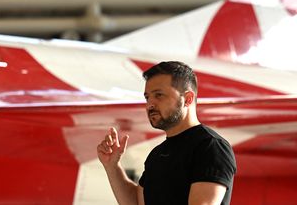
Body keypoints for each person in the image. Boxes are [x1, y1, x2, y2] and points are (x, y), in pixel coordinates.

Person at [97, 61, 236, 205]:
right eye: (147, 97)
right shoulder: (157, 154)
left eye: (159, 95)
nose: (150, 104)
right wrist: (112, 167)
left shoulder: (211, 147)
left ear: (187, 99)